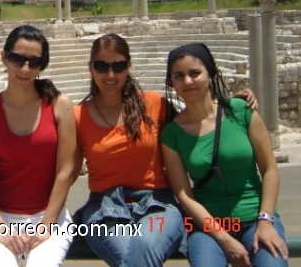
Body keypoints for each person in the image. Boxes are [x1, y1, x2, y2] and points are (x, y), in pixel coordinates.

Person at [160, 43, 288, 267]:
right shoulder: (171, 133)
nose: (187, 81)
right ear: (172, 82)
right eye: (179, 76)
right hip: (208, 225)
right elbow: (184, 194)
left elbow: (269, 169)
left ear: (210, 73)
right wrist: (222, 237)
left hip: (256, 216)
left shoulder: (241, 111)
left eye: (194, 73)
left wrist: (266, 221)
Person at [74, 33, 185, 267]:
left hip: (158, 207)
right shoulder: (77, 116)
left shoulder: (155, 105)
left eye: (118, 66)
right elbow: (66, 170)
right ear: (90, 68)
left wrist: (231, 105)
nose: (110, 74)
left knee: (144, 245)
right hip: (104, 211)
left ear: (129, 66)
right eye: (102, 66)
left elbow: (196, 124)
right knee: (134, 254)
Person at [0, 24, 77, 267]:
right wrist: (0, 228)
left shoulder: (60, 105)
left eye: (34, 62)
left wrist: (46, 225)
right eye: (17, 59)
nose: (25, 69)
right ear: (4, 57)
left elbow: (65, 171)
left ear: (42, 65)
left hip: (50, 214)